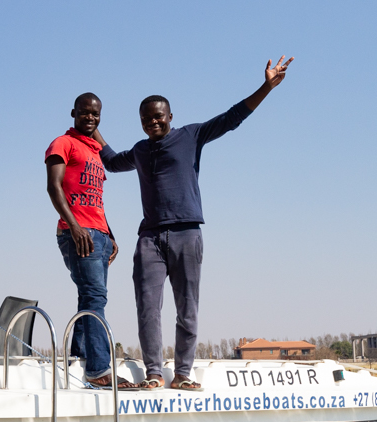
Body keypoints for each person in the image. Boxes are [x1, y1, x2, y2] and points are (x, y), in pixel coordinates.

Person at [94, 56, 293, 390]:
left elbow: (232, 118)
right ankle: (155, 373)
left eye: (158, 117)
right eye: (146, 119)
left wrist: (266, 87)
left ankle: (183, 374)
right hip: (150, 239)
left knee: (187, 309)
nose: (152, 123)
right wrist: (92, 127)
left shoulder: (191, 135)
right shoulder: (141, 151)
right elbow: (112, 162)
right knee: (147, 308)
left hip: (187, 233)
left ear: (170, 117)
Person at [45, 92, 121, 387]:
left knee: (88, 296)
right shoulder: (62, 143)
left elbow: (96, 201)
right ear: (73, 112)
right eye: (85, 112)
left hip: (100, 234)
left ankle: (80, 352)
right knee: (95, 296)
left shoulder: (95, 151)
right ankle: (99, 369)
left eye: (96, 113)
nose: (90, 117)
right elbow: (54, 187)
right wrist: (75, 227)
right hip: (77, 231)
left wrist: (110, 235)